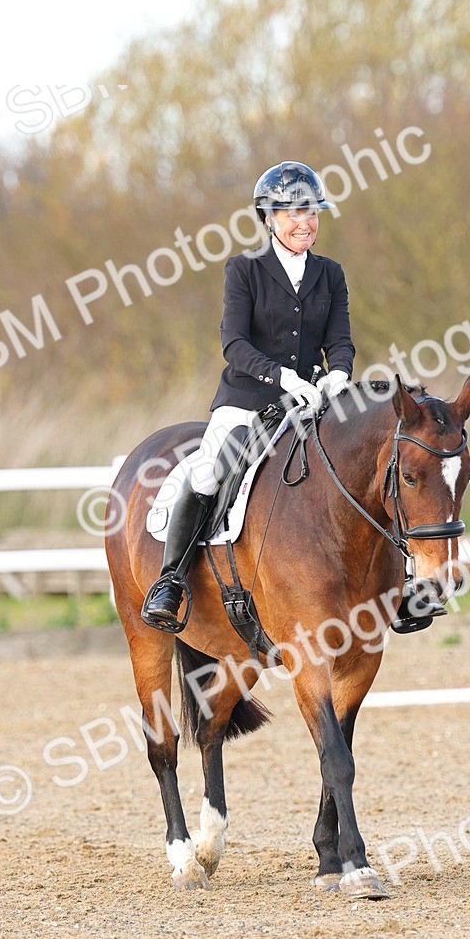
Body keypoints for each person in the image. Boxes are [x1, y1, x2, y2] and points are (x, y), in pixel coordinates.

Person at [141, 161, 354, 631]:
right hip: (247, 401)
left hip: (311, 402)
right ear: (269, 218)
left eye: (312, 213)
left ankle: (392, 581)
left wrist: (338, 374)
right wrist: (282, 377)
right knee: (210, 472)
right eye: (293, 213)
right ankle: (171, 580)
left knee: (363, 461)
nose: (305, 222)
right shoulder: (244, 270)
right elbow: (234, 345)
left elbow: (340, 340)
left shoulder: (330, 274)